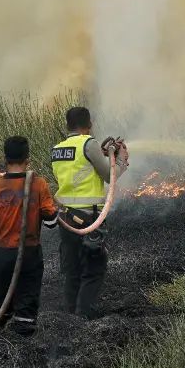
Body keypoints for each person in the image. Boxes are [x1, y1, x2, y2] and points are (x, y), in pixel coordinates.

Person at [51, 106, 128, 319]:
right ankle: (83, 315)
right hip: (88, 218)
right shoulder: (89, 143)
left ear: (67, 125)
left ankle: (69, 317)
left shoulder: (57, 149)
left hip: (66, 217)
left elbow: (79, 170)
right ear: (90, 124)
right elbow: (107, 175)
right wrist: (120, 160)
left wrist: (103, 154)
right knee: (94, 268)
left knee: (72, 269)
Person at [0, 135, 59, 335]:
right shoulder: (39, 184)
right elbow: (51, 222)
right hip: (29, 255)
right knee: (27, 304)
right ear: (28, 158)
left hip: (1, 254)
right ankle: (23, 347)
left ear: (5, 159)